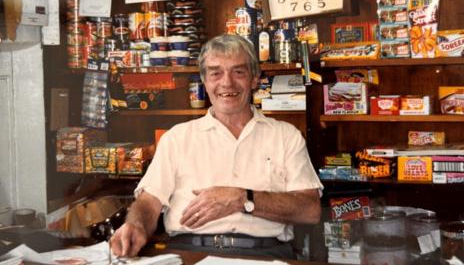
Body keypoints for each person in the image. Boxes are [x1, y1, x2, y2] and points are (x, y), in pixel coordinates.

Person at [110, 34, 323, 259]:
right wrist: (136, 225)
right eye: (215, 73)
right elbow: (148, 202)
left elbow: (310, 210)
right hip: (190, 252)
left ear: (254, 79)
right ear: (204, 80)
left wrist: (242, 198)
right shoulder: (177, 138)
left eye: (238, 72)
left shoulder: (286, 136)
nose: (227, 82)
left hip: (265, 255)